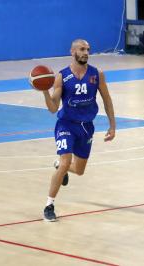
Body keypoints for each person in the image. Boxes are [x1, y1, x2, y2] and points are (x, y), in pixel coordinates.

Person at [42, 39, 116, 222]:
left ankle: (60, 167)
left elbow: (107, 100)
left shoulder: (97, 74)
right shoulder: (62, 76)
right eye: (82, 49)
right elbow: (53, 108)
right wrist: (45, 91)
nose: (86, 52)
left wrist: (112, 125)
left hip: (86, 127)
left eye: (88, 50)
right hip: (66, 124)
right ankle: (49, 205)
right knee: (66, 161)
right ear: (72, 51)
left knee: (80, 170)